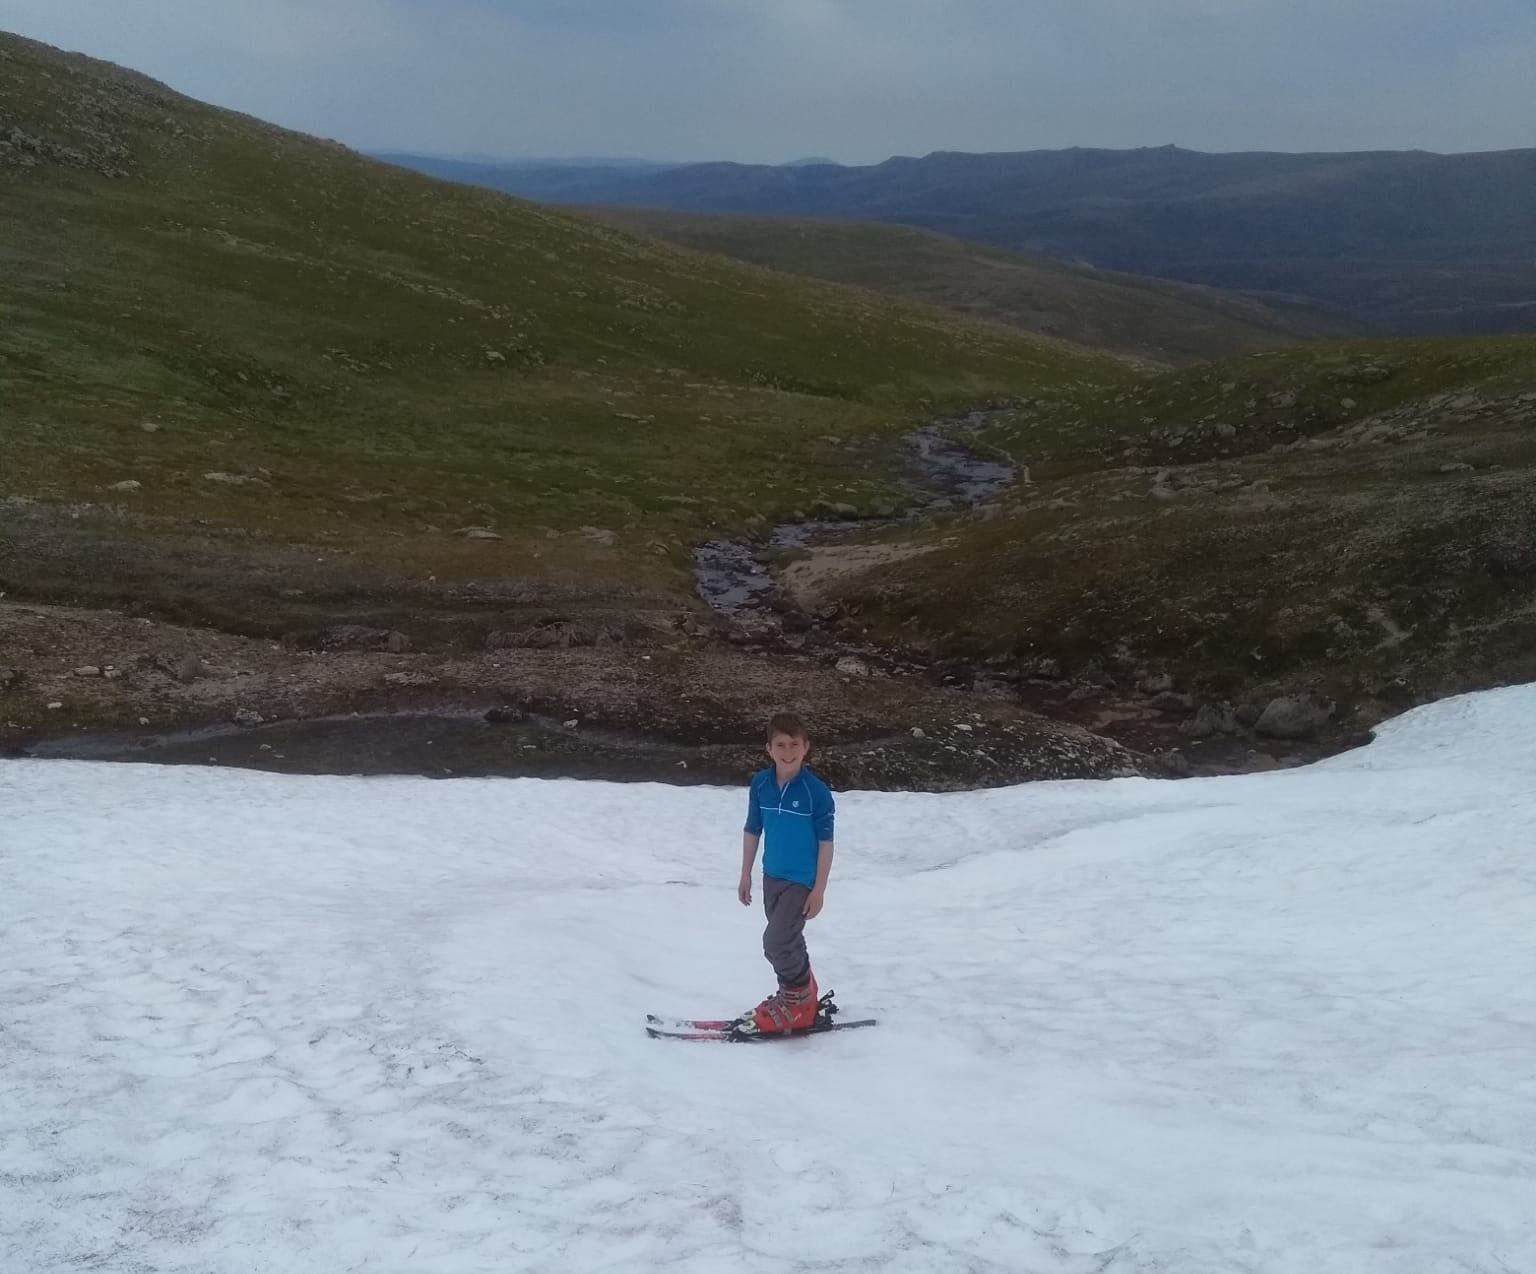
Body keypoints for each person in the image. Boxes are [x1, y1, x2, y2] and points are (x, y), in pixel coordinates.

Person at [738, 712, 836, 1033]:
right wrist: (746, 874)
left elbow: (825, 843)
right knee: (789, 939)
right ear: (769, 748)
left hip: (800, 881)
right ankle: (801, 995)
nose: (788, 751)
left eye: (795, 744)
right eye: (780, 744)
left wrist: (819, 889)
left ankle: (797, 1002)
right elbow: (753, 829)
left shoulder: (815, 791)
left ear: (806, 747)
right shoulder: (761, 784)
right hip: (772, 876)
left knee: (776, 942)